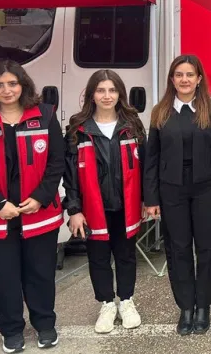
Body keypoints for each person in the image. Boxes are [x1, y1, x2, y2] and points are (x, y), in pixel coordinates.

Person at [0, 59, 64, 353]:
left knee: (41, 273)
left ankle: (45, 325)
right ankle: (11, 329)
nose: (7, 90)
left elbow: (57, 161)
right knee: (4, 277)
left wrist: (41, 197)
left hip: (38, 211)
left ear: (23, 85)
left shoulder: (45, 115)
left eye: (13, 83)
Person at [143, 55, 211, 336]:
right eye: (179, 75)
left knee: (206, 249)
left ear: (199, 79)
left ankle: (203, 307)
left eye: (190, 75)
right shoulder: (160, 112)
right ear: (172, 79)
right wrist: (151, 198)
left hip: (206, 188)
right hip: (171, 189)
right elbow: (151, 158)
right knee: (178, 249)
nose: (184, 80)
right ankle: (186, 308)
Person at [63, 70, 145, 334]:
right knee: (98, 258)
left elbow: (145, 166)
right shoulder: (78, 129)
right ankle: (107, 304)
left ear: (120, 94)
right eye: (101, 90)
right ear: (91, 95)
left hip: (126, 206)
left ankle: (127, 301)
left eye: (112, 90)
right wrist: (74, 209)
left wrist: (147, 200)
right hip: (92, 208)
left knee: (126, 256)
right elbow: (70, 174)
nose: (107, 96)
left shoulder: (132, 125)